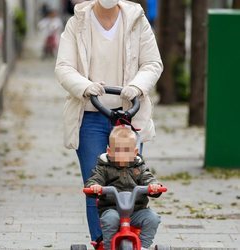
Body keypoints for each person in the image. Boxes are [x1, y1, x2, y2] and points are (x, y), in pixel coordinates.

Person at [55, 0, 163, 243]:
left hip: (128, 116)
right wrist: (85, 87)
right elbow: (64, 67)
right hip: (90, 116)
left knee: (131, 182)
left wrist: (136, 86)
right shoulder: (77, 23)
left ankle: (131, 238)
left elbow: (152, 63)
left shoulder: (137, 21)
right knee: (96, 187)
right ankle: (102, 242)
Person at [85, 126, 163, 250]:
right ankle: (109, 246)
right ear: (109, 152)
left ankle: (143, 246)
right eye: (118, 150)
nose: (122, 154)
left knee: (152, 218)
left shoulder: (139, 167)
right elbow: (95, 179)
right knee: (110, 220)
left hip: (137, 210)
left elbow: (148, 178)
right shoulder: (103, 167)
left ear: (135, 152)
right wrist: (94, 186)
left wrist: (154, 186)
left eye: (127, 150)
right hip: (112, 209)